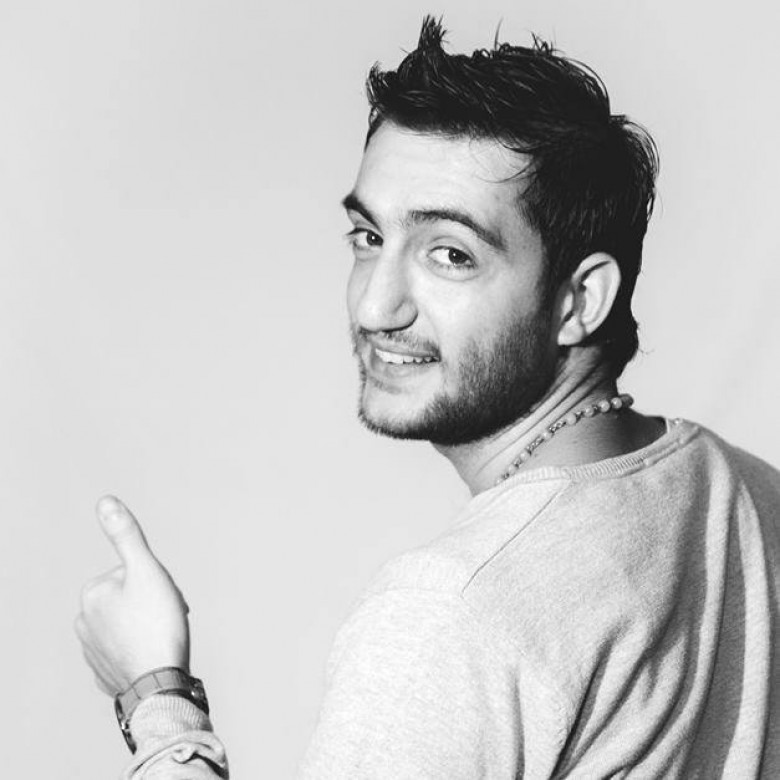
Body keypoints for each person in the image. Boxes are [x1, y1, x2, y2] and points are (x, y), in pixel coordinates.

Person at [76, 16, 780, 779]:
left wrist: (155, 697)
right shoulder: (749, 492)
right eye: (369, 238)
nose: (375, 306)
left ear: (580, 300)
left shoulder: (451, 610)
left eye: (450, 254)